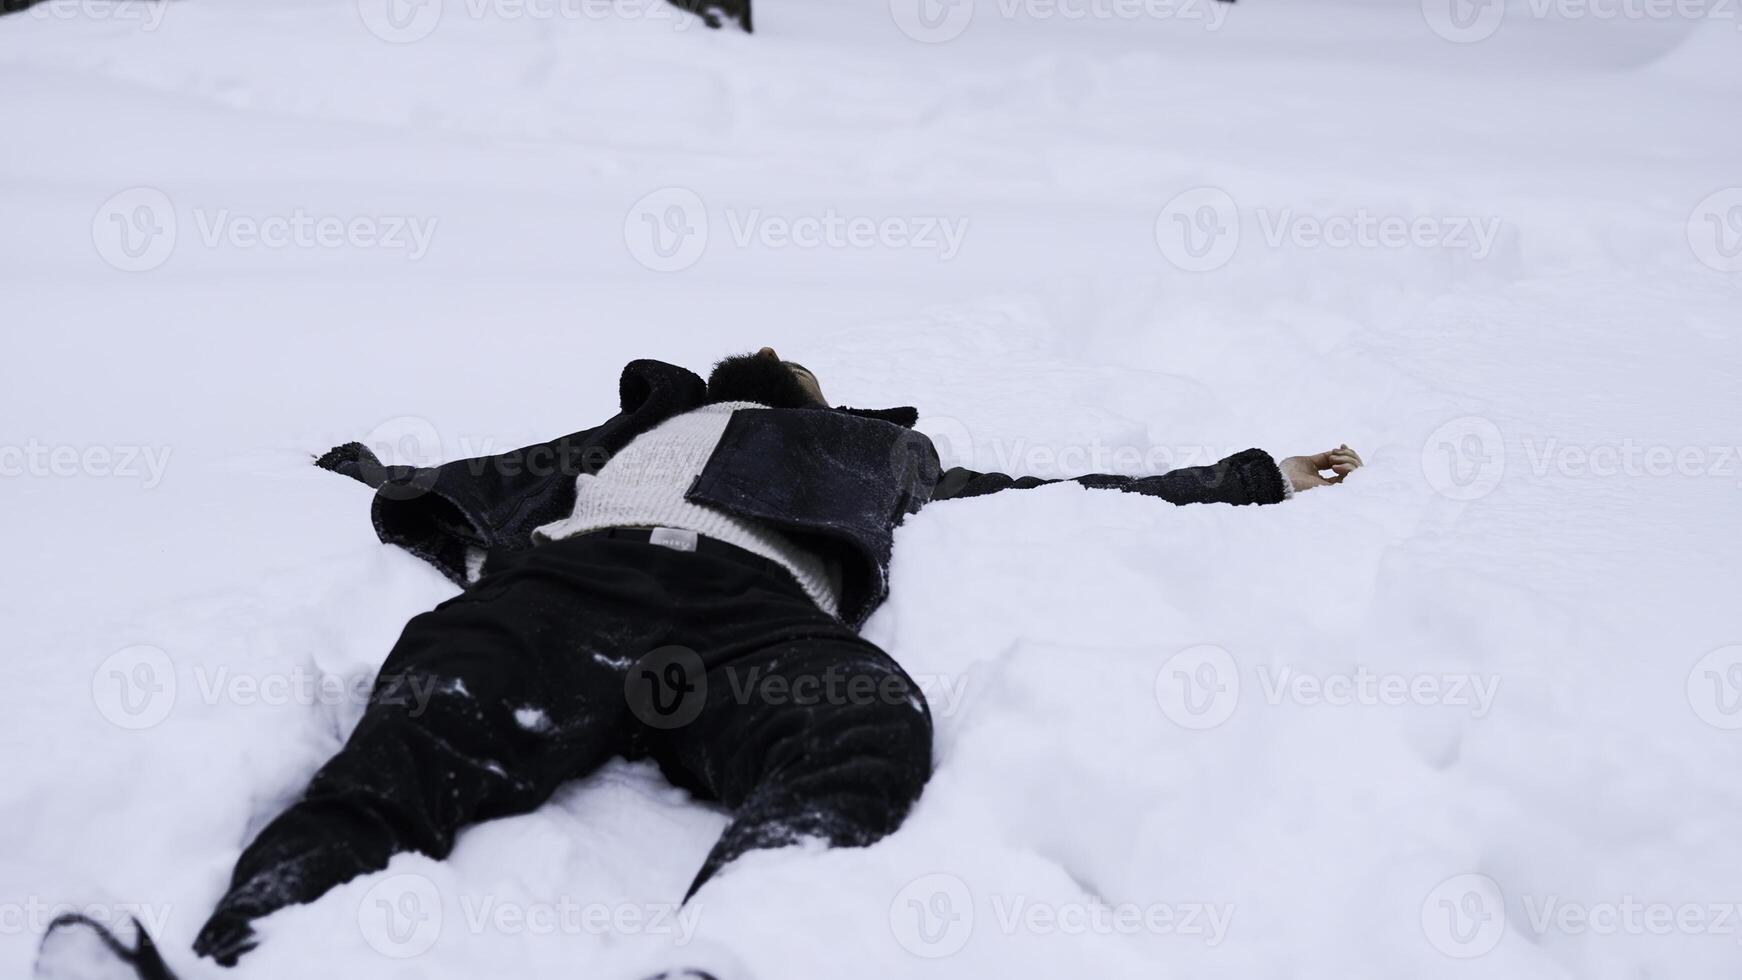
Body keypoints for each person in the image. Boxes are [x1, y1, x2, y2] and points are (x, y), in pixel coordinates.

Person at [173, 348, 1357, 965]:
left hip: (749, 613)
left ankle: (727, 952)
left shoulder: (867, 450)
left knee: (863, 726)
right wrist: (369, 471)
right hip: (565, 590)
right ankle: (248, 935)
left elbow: (1065, 490)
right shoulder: (635, 432)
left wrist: (1249, 477)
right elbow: (469, 478)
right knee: (412, 738)